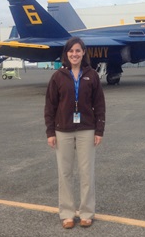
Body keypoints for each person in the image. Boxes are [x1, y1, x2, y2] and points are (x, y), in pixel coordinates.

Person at [44, 37, 106, 229]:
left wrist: (99, 130)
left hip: (87, 130)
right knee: (65, 173)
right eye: (71, 51)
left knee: (87, 173)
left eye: (78, 51)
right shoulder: (58, 76)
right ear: (66, 54)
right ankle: (68, 213)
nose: (74, 54)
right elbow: (50, 106)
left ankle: (87, 212)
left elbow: (99, 105)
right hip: (62, 130)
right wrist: (50, 132)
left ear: (83, 53)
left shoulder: (92, 75)